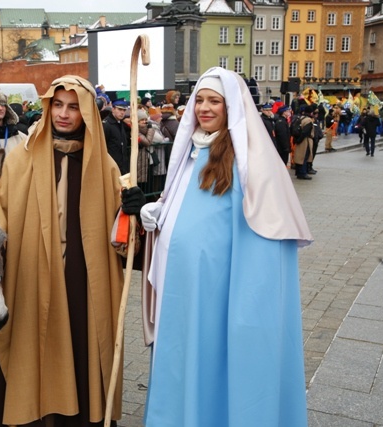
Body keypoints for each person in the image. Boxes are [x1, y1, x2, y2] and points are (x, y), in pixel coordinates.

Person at [139, 67, 312, 427]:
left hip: (219, 292)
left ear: (231, 106)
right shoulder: (189, 152)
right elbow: (182, 205)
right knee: (183, 358)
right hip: (182, 288)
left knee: (214, 362)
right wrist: (157, 213)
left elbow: (263, 233)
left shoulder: (250, 162)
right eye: (199, 100)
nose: (204, 108)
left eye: (214, 101)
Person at [0, 75, 144, 426]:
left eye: (73, 107)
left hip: (83, 284)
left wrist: (135, 213)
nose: (63, 114)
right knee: (33, 354)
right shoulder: (19, 161)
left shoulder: (106, 169)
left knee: (82, 353)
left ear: (87, 113)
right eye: (57, 105)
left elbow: (125, 244)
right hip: (30, 279)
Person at [102, 99, 130, 174]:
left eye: (124, 110)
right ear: (113, 109)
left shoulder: (121, 124)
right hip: (111, 166)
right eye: (120, 109)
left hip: (122, 165)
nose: (122, 112)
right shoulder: (106, 124)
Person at [294, 104, 316, 180]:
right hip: (305, 141)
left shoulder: (301, 118)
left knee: (299, 156)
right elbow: (305, 132)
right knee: (304, 157)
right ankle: (303, 173)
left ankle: (298, 172)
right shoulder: (309, 120)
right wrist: (299, 140)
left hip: (300, 140)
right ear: (311, 113)